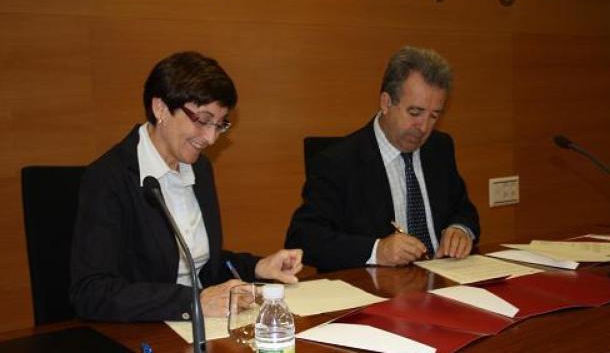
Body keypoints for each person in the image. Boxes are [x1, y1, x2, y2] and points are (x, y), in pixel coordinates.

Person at [70, 51, 303, 322]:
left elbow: (199, 262)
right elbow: (92, 292)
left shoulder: (199, 169)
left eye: (219, 125)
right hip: (140, 333)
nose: (211, 138)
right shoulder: (109, 177)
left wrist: (260, 266)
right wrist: (194, 302)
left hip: (199, 330)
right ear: (160, 108)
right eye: (203, 121)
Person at [285, 46, 479, 272]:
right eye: (415, 113)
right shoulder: (338, 161)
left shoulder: (439, 147)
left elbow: (464, 209)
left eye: (434, 115)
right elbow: (304, 238)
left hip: (444, 283)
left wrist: (460, 229)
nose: (424, 127)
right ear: (386, 103)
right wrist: (377, 250)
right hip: (379, 291)